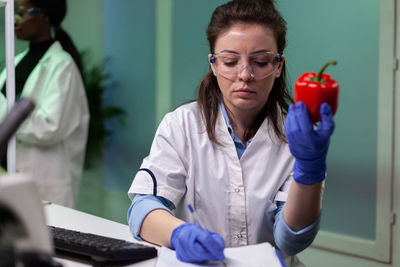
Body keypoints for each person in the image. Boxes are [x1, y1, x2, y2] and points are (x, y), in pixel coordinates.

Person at [127, 0, 334, 266]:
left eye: (260, 62)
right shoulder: (182, 125)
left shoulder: (299, 137)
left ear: (278, 65)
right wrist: (179, 234)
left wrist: (309, 171)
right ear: (213, 65)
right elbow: (142, 209)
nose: (245, 74)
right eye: (230, 61)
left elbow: (290, 241)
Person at [0, 0, 89, 208]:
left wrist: (6, 113)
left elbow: (49, 128)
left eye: (21, 12)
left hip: (45, 183)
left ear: (44, 15)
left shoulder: (62, 65)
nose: (15, 19)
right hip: (10, 178)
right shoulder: (16, 61)